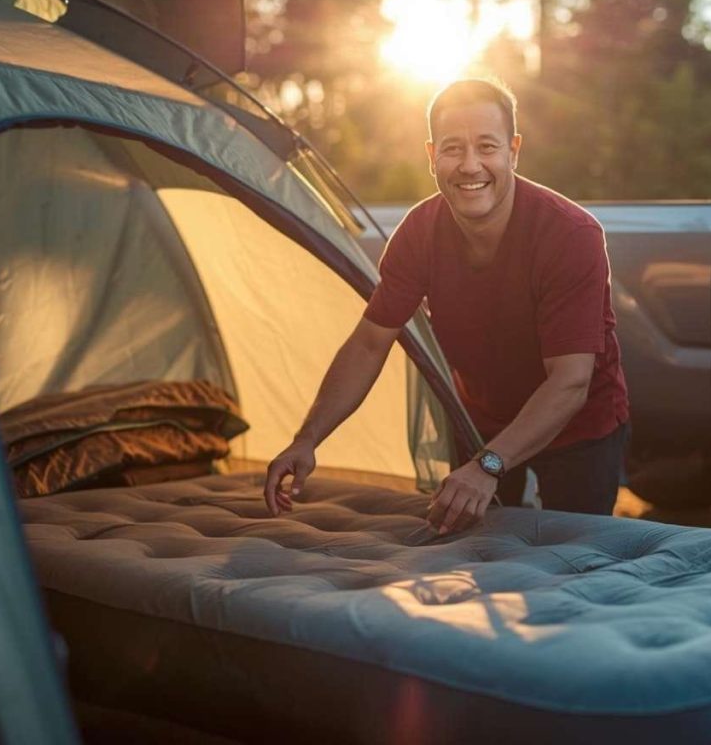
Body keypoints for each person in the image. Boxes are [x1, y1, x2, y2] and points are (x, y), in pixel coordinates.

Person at [264, 78, 629, 534]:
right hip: (480, 424)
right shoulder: (419, 234)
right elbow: (369, 344)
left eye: (487, 146)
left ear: (514, 150)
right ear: (432, 154)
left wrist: (488, 466)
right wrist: (306, 439)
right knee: (477, 560)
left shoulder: (570, 235)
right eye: (453, 149)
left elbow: (570, 382)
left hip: (577, 427)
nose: (470, 165)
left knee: (574, 562)